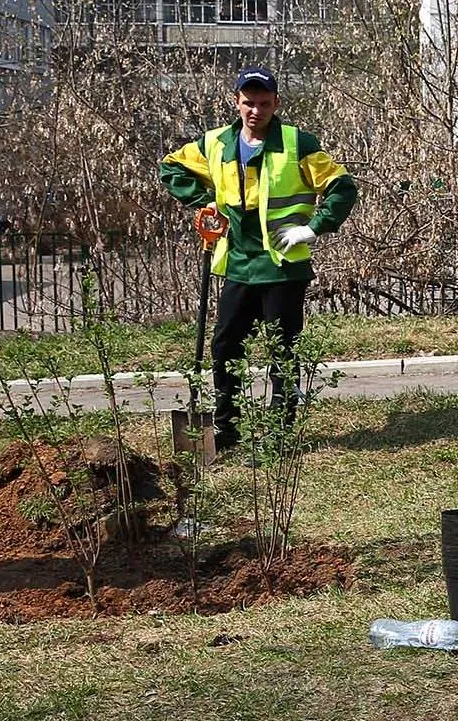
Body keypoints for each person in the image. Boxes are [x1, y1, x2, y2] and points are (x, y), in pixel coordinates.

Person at [159, 66, 358, 453]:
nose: (256, 111)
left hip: (283, 265)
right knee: (225, 345)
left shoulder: (297, 143)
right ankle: (226, 430)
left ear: (276, 104)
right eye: (248, 103)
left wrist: (315, 227)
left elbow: (341, 186)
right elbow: (171, 167)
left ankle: (279, 433)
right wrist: (205, 203)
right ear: (237, 103)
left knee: (283, 350)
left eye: (264, 103)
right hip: (238, 261)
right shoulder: (215, 143)